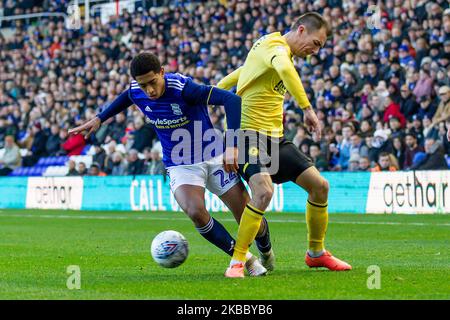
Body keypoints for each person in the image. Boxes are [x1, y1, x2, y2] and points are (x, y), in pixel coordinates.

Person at [68, 52, 271, 276]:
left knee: (248, 217)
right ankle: (245, 260)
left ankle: (266, 250)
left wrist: (232, 145)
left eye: (153, 82)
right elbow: (126, 96)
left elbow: (232, 100)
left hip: (214, 157)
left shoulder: (184, 88)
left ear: (162, 72)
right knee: (195, 211)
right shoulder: (138, 91)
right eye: (143, 85)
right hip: (180, 163)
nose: (150, 91)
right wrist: (99, 118)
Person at [217, 12, 351, 277]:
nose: (314, 51)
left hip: (274, 139)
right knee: (264, 192)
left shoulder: (270, 52)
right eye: (315, 43)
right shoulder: (275, 48)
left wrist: (218, 89)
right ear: (301, 30)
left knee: (320, 186)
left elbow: (238, 76)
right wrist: (307, 108)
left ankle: (316, 253)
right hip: (247, 137)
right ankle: (238, 261)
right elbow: (285, 70)